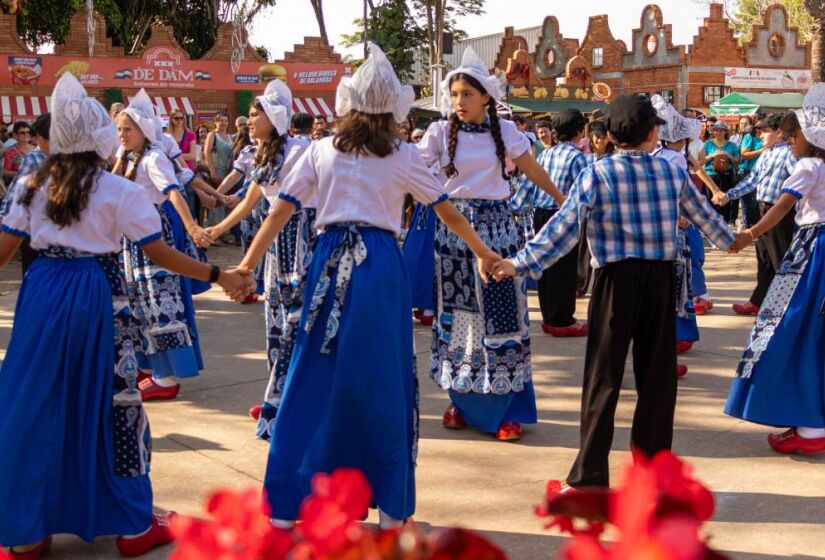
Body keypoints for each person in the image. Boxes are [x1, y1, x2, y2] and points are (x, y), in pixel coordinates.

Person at [235, 42, 499, 530]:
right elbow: (446, 210)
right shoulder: (402, 155)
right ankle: (392, 511)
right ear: (392, 110)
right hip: (379, 268)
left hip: (328, 264)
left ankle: (288, 507)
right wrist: (485, 253)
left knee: (311, 376)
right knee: (383, 381)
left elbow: (280, 210)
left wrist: (247, 264)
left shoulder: (320, 149)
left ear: (348, 104)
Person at [0, 72, 251, 560]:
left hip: (42, 296)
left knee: (33, 400)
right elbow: (159, 254)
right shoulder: (118, 190)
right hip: (98, 295)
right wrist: (219, 275)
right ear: (96, 136)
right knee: (115, 403)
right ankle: (133, 524)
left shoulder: (32, 183)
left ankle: (24, 530)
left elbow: (4, 251)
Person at [493, 94, 736, 488]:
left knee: (603, 380)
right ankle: (653, 481)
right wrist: (737, 240)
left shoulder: (597, 174)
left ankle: (588, 479)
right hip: (659, 279)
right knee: (657, 382)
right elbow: (708, 220)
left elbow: (561, 231)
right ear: (653, 133)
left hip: (613, 282)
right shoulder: (672, 174)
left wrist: (516, 264)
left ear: (610, 136)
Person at [418, 47, 564, 441]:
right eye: (454, 95)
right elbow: (412, 170)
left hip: (500, 232)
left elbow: (533, 170)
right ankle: (460, 402)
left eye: (466, 94)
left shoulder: (509, 132)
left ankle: (502, 407)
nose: (459, 102)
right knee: (458, 317)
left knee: (502, 319)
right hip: (453, 234)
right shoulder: (437, 133)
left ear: (486, 96)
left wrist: (563, 201)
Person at [205, 83, 315, 440]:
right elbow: (252, 199)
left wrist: (245, 263)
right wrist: (217, 227)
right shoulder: (260, 153)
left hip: (301, 242)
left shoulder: (300, 150)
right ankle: (276, 393)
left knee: (298, 323)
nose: (249, 121)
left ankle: (292, 399)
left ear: (275, 117)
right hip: (277, 245)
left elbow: (280, 209)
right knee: (276, 321)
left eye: (255, 115)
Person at [724, 86, 825, 456]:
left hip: (811, 253)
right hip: (815, 252)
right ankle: (810, 420)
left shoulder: (808, 166)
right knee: (812, 333)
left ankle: (812, 426)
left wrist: (748, 234)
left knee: (789, 328)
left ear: (807, 137)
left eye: (792, 136)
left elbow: (782, 207)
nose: (788, 142)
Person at [114, 90, 213, 402]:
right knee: (141, 302)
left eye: (127, 129)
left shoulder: (154, 157)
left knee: (162, 302)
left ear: (144, 130)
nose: (122, 135)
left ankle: (167, 376)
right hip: (135, 237)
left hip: (154, 233)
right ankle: (151, 367)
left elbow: (173, 192)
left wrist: (193, 226)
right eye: (119, 129)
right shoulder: (131, 157)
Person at [515, 109, 589, 337]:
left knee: (546, 266)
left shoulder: (546, 154)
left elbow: (530, 183)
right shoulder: (577, 157)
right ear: (579, 131)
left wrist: (515, 207)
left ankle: (549, 316)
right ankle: (562, 319)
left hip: (540, 214)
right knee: (564, 268)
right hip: (563, 215)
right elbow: (584, 190)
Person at [714, 114, 797, 317]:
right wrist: (728, 195)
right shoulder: (767, 153)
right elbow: (752, 181)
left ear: (779, 133)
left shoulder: (789, 154)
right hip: (762, 211)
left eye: (765, 131)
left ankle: (788, 307)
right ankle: (758, 301)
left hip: (779, 213)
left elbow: (797, 184)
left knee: (780, 260)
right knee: (764, 259)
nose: (760, 135)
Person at [651, 94, 707, 374]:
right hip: (675, 228)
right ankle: (678, 334)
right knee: (678, 281)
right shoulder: (675, 159)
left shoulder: (654, 155)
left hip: (654, 228)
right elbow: (682, 194)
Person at [0, 114, 50, 275]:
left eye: (27, 133)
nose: (25, 136)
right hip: (34, 226)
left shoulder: (62, 158)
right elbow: (16, 196)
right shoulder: (33, 158)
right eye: (22, 133)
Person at [577, 120, 614, 297]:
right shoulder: (584, 159)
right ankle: (581, 284)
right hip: (588, 209)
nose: (599, 141)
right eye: (596, 137)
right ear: (591, 138)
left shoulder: (614, 160)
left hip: (608, 210)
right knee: (583, 248)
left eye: (602, 137)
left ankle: (604, 286)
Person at [703, 121, 739, 224]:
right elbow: (702, 161)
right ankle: (711, 223)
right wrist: (713, 155)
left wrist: (727, 155)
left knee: (725, 200)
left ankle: (724, 222)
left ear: (725, 132)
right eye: (716, 130)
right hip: (711, 176)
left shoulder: (732, 145)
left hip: (726, 176)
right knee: (711, 200)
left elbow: (737, 162)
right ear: (713, 132)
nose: (718, 133)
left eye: (721, 130)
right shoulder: (708, 144)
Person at [203, 111, 233, 226]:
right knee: (216, 202)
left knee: (226, 202)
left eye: (225, 120)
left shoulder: (230, 137)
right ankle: (215, 231)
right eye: (220, 121)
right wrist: (212, 171)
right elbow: (207, 153)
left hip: (229, 174)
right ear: (215, 122)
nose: (223, 123)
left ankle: (225, 231)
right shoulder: (212, 135)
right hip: (216, 172)